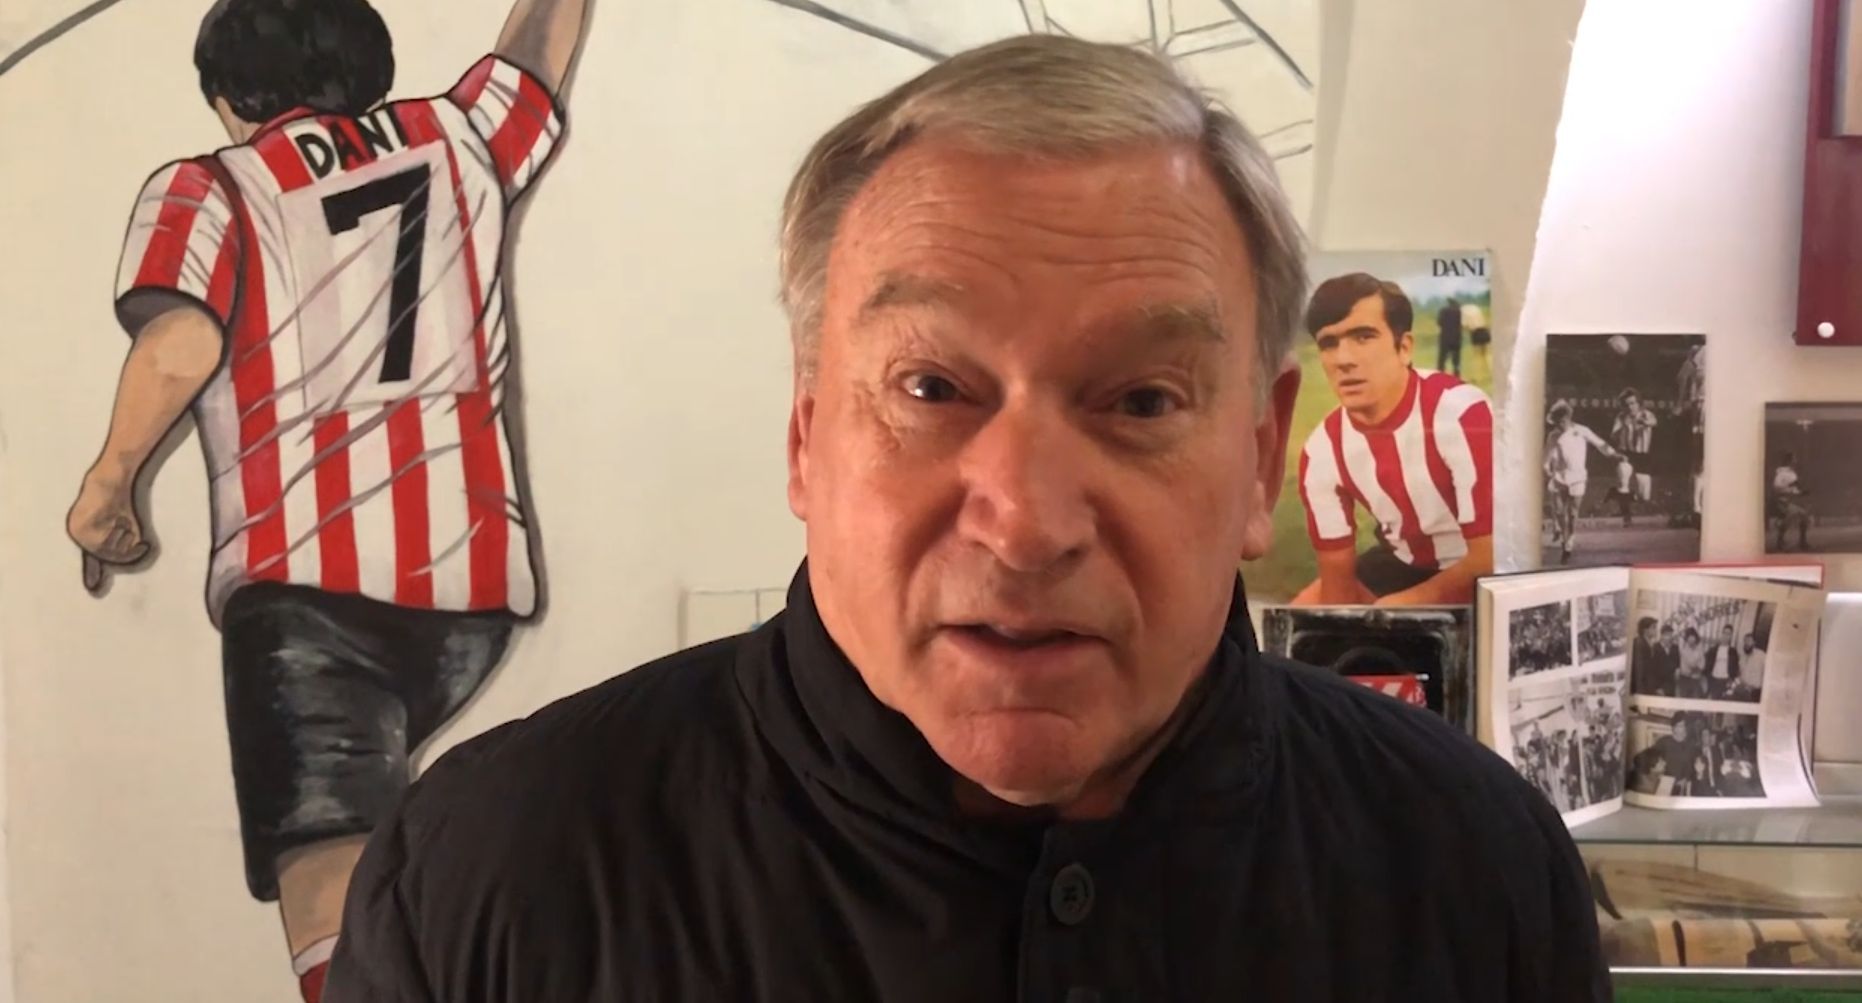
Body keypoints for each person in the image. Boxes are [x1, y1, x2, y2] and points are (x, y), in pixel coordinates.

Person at [324, 36, 1608, 1002]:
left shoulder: (1470, 867)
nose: (1027, 522)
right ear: (804, 434)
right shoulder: (488, 879)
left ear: (1260, 455)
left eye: (1143, 398)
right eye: (930, 388)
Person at [63, 1, 590, 998]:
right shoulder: (457, 134)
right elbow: (531, 59)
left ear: (226, 99)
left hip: (306, 593)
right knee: (399, 843)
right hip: (469, 591)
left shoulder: (211, 186)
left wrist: (108, 481)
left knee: (328, 867)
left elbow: (182, 341)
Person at [1292, 275, 1495, 605]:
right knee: (1302, 616)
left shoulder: (1461, 413)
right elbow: (1337, 578)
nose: (1343, 359)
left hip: (1474, 568)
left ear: (1404, 348)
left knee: (1391, 617)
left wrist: (1399, 608)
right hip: (1400, 563)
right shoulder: (1321, 450)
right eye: (1329, 343)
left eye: (1363, 337)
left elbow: (1490, 558)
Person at [1542, 401, 1623, 564]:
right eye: (1556, 422)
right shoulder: (1553, 435)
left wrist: (1615, 455)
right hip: (1559, 477)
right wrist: (1547, 470)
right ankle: (1564, 539)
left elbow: (1600, 444)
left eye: (1561, 421)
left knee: (1572, 512)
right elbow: (1547, 456)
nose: (1559, 425)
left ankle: (1569, 541)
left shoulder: (1582, 431)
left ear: (1567, 418)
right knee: (1559, 510)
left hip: (1578, 477)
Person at [1609, 388, 1657, 526]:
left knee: (1645, 497)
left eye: (1633, 403)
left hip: (1643, 456)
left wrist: (1644, 423)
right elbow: (1613, 435)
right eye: (1627, 404)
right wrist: (1619, 432)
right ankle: (1626, 517)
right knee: (1623, 481)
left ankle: (1625, 496)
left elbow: (1653, 422)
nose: (1630, 407)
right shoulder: (1621, 417)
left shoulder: (1647, 414)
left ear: (1638, 403)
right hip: (1626, 454)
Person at [1771, 451, 1811, 552]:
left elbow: (1794, 489)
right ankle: (1780, 542)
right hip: (1782, 501)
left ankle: (1802, 542)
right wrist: (1790, 488)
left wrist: (1801, 492)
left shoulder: (1792, 473)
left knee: (1804, 516)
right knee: (1792, 515)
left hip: (1790, 501)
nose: (1796, 460)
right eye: (1794, 458)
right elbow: (1776, 487)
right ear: (1789, 460)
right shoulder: (1781, 473)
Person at [1705, 623, 1741, 697]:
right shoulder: (1713, 650)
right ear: (1721, 634)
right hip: (1714, 679)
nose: (1726, 636)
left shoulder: (1733, 651)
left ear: (1731, 636)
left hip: (1726, 681)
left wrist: (1732, 680)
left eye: (1728, 634)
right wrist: (1708, 677)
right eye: (1724, 633)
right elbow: (1707, 665)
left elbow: (1735, 668)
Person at [1631, 616, 1660, 694]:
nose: (1656, 630)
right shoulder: (1639, 643)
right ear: (1645, 630)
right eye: (1653, 628)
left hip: (1649, 686)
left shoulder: (1649, 643)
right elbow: (1639, 669)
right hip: (1642, 689)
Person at [1677, 627, 1709, 698]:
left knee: (1695, 699)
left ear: (1696, 638)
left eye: (1693, 636)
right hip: (1684, 679)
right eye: (1689, 637)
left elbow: (1702, 665)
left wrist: (1697, 669)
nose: (1691, 639)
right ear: (1686, 639)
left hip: (1695, 679)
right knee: (1684, 699)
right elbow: (1690, 664)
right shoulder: (1683, 650)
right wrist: (1695, 667)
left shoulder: (1699, 650)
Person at [1437, 296, 1464, 376]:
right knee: (1456, 359)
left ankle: (1440, 373)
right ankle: (1457, 374)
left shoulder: (1443, 311)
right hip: (1456, 338)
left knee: (1442, 358)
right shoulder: (1459, 312)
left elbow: (1439, 323)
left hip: (1445, 338)